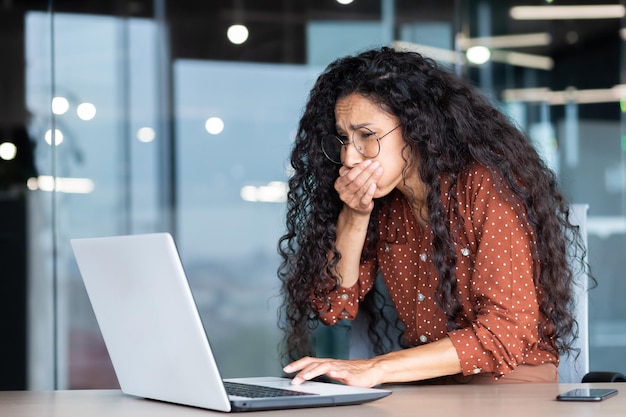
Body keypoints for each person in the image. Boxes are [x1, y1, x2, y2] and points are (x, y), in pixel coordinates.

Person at [277, 46, 586, 387]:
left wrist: (377, 368)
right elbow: (332, 306)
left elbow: (505, 332)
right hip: (431, 385)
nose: (349, 157)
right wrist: (355, 212)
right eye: (343, 139)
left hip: (508, 383)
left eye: (367, 136)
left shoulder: (484, 184)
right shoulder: (388, 203)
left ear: (415, 128)